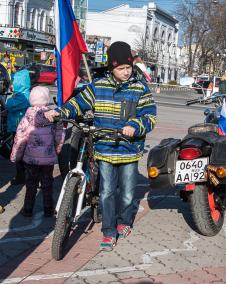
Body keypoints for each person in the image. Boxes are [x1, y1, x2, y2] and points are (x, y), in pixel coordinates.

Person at [44, 41, 157, 251]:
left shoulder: (140, 88)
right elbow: (78, 103)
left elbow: (149, 116)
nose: (126, 71)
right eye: (121, 68)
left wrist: (135, 126)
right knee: (106, 192)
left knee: (127, 194)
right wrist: (60, 112)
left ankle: (124, 220)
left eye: (128, 67)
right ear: (111, 68)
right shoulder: (98, 86)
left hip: (129, 151)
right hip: (104, 149)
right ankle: (108, 231)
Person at [10, 86, 64, 217]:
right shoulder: (54, 116)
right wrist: (57, 150)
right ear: (46, 99)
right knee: (47, 184)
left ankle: (28, 209)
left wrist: (15, 156)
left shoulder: (27, 117)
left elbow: (19, 138)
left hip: (31, 159)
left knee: (31, 184)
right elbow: (60, 136)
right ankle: (48, 209)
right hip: (47, 158)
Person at [6, 69, 31, 184]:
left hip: (19, 130)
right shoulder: (22, 94)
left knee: (19, 154)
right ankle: (23, 175)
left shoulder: (23, 96)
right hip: (18, 128)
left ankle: (21, 177)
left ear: (19, 83)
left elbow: (10, 105)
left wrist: (9, 101)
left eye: (14, 82)